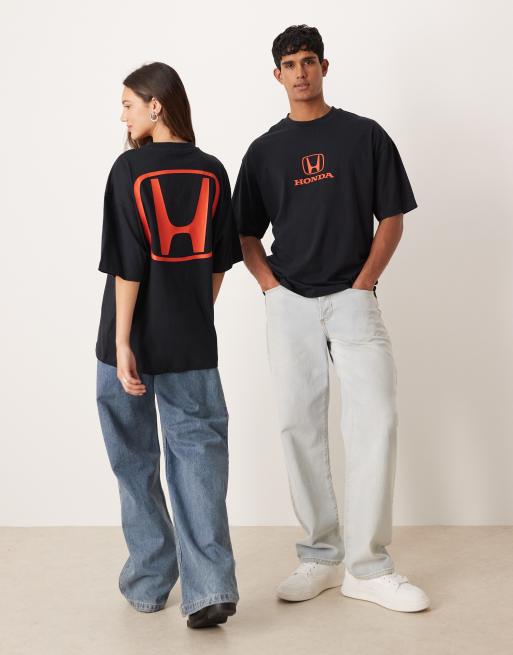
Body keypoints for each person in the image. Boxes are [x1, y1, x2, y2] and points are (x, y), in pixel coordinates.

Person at [232, 25, 430, 613]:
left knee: (376, 420)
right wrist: (270, 288)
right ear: (276, 75)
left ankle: (368, 567)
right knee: (299, 425)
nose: (300, 72)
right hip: (290, 300)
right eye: (290, 64)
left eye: (309, 61)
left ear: (324, 66)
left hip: (353, 298)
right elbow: (244, 231)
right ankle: (320, 556)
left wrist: (364, 283)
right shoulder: (263, 151)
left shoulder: (364, 136)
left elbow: (391, 216)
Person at [95, 62, 242, 628]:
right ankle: (210, 589)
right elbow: (219, 262)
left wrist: (123, 341)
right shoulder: (213, 170)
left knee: (133, 458)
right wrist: (192, 314)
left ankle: (151, 579)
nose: (123, 116)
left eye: (129, 104)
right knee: (199, 459)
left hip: (128, 340)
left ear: (156, 105)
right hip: (191, 343)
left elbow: (127, 264)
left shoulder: (129, 169)